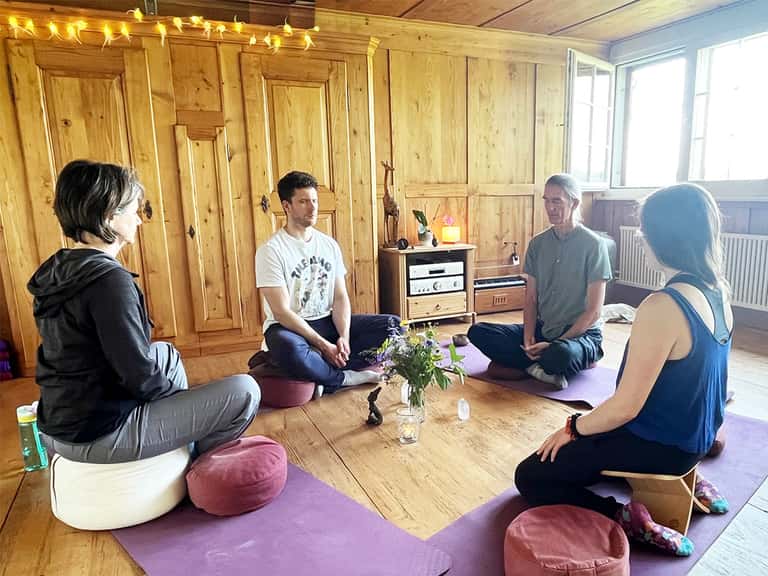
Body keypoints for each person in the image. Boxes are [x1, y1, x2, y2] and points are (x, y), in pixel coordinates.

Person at [514, 183, 731, 556]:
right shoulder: (718, 291)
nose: (643, 239)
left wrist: (572, 428)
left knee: (531, 475)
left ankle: (624, 517)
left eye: (645, 231)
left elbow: (626, 407)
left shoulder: (662, 306)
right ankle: (689, 481)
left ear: (663, 238)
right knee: (590, 446)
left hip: (664, 447)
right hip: (697, 437)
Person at [28, 160, 260, 464]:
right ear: (110, 216)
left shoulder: (60, 267)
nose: (139, 220)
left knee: (166, 354)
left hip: (59, 425)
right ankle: (196, 465)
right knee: (245, 391)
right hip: (99, 436)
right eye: (133, 211)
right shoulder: (108, 282)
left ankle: (178, 447)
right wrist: (186, 404)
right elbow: (138, 376)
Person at [256, 171, 398, 398]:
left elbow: (340, 297)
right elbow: (281, 312)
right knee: (288, 348)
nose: (312, 207)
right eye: (303, 202)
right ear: (286, 206)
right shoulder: (271, 251)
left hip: (325, 321)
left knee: (394, 326)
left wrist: (344, 337)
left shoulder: (328, 245)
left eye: (314, 200)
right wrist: (324, 345)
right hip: (289, 328)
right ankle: (343, 377)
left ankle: (322, 369)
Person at [468, 173, 612, 389]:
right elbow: (531, 299)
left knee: (562, 354)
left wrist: (557, 343)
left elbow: (594, 312)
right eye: (546, 201)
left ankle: (536, 363)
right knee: (478, 332)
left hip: (580, 334)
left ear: (574, 203)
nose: (550, 208)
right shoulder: (537, 244)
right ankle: (539, 367)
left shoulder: (594, 245)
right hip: (543, 330)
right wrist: (528, 339)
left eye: (557, 201)